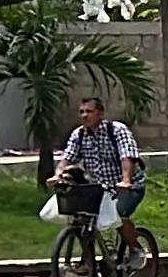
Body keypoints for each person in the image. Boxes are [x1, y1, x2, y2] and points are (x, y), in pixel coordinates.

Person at [54, 96, 143, 247]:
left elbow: (127, 155)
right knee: (83, 219)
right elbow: (68, 157)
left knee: (119, 214)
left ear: (100, 114)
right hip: (97, 189)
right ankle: (87, 261)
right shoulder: (79, 134)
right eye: (81, 112)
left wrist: (126, 180)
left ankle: (136, 249)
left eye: (89, 111)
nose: (84, 115)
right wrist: (57, 175)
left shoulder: (116, 130)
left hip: (128, 187)